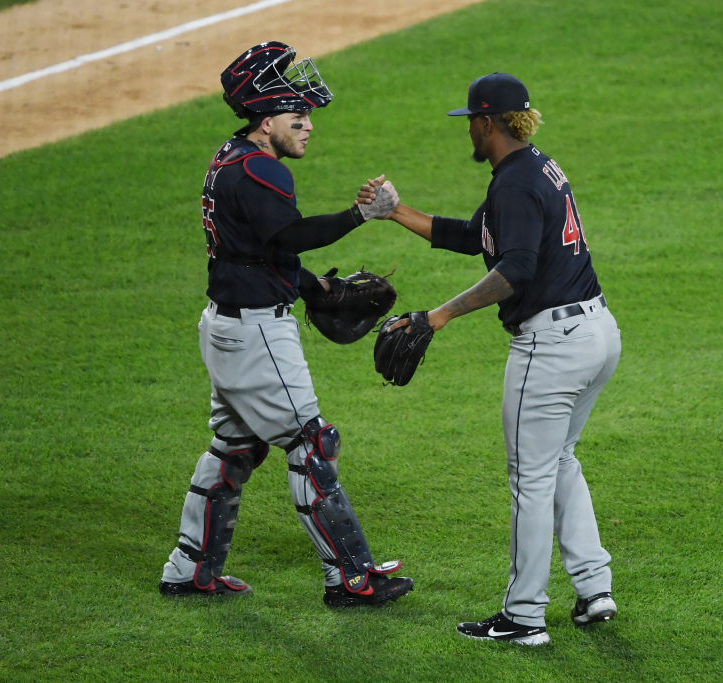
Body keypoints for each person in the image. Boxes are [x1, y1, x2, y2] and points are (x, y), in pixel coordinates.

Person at [361, 72, 620, 644]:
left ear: (486, 123)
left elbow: (516, 269)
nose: (469, 134)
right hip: (597, 331)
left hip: (552, 346)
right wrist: (395, 212)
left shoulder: (513, 184)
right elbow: (475, 235)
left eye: (471, 124)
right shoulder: (534, 168)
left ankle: (524, 616)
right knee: (559, 461)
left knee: (530, 477)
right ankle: (594, 587)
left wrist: (438, 315)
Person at [158, 41, 413, 608]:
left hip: (226, 326)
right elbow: (288, 239)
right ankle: (350, 577)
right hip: (255, 333)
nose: (308, 127)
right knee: (313, 445)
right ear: (267, 119)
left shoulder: (231, 157)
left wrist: (314, 287)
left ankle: (190, 569)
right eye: (299, 117)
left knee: (235, 447)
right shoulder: (259, 171)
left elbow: (255, 253)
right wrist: (359, 216)